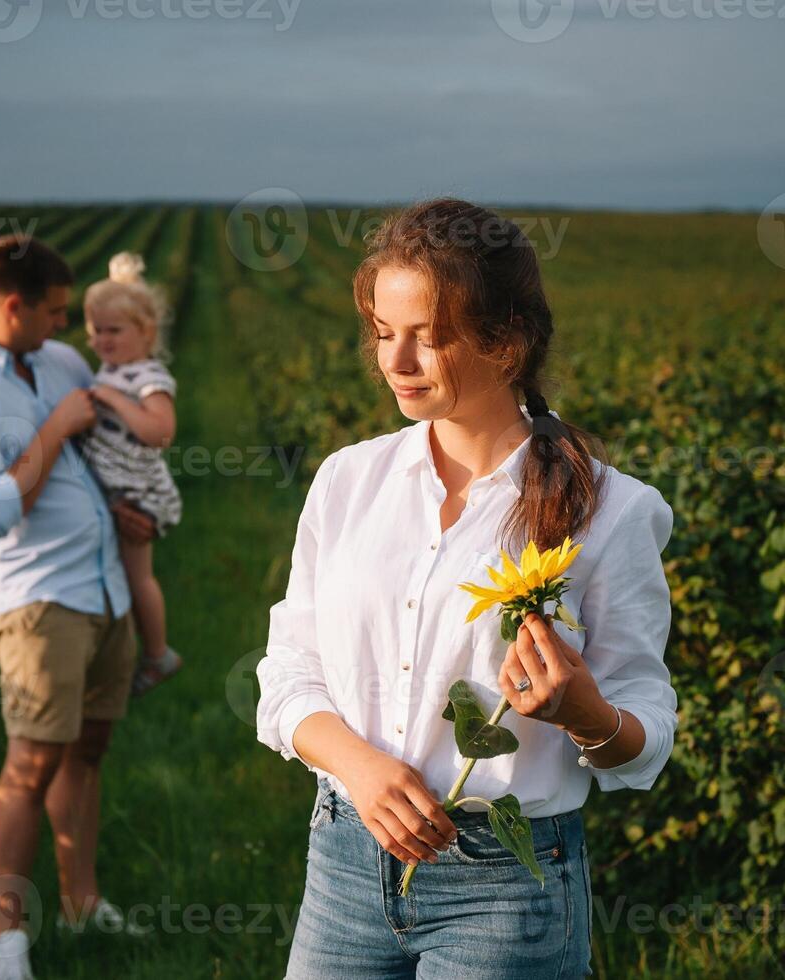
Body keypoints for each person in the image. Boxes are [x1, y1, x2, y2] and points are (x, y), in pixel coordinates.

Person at [255, 199, 678, 978]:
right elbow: (287, 672)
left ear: (505, 343)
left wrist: (583, 714)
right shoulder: (348, 480)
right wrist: (359, 767)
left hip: (505, 888)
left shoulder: (613, 513)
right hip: (345, 859)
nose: (395, 360)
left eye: (428, 337)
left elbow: (644, 736)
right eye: (384, 333)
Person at [0, 235, 158, 980]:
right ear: (11, 305)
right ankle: (6, 941)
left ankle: (81, 903)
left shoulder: (58, 362)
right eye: (53, 313)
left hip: (107, 582)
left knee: (87, 752)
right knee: (29, 763)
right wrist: (52, 431)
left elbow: (104, 451)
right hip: (37, 597)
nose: (66, 329)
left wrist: (124, 510)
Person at [76, 251, 183, 696]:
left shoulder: (147, 376)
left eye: (114, 331)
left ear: (145, 331)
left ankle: (158, 654)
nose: (103, 340)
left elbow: (160, 431)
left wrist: (114, 400)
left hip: (140, 496)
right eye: (96, 331)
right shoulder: (114, 370)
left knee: (138, 577)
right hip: (121, 488)